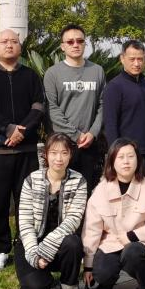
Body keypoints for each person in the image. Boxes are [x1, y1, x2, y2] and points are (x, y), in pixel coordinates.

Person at [0, 29, 46, 272]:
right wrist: (8, 129)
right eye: (3, 41)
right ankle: (0, 249)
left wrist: (22, 131)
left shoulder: (30, 75)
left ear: (20, 47)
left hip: (26, 150)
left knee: (28, 202)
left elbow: (39, 106)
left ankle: (26, 246)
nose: (9, 45)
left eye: (14, 41)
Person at [82, 138, 145, 289]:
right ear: (112, 161)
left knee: (133, 253)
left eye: (130, 156)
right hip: (110, 243)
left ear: (138, 159)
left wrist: (133, 235)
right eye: (120, 157)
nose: (126, 161)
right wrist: (88, 266)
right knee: (102, 272)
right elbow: (92, 229)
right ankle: (106, 286)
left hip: (138, 242)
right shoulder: (101, 190)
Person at [15, 133, 88, 289]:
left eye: (64, 153)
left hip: (61, 243)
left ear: (70, 155)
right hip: (33, 243)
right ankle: (48, 281)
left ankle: (69, 288)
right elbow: (25, 223)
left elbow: (73, 220)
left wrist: (47, 248)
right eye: (54, 153)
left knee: (73, 243)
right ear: (46, 154)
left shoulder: (79, 181)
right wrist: (34, 254)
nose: (59, 158)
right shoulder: (31, 180)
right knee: (35, 288)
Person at [43, 24, 106, 190]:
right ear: (62, 46)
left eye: (80, 41)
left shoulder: (97, 71)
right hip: (62, 145)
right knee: (60, 191)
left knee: (87, 192)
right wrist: (76, 135)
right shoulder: (52, 73)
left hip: (90, 144)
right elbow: (52, 109)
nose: (75, 45)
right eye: (70, 42)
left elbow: (102, 105)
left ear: (85, 43)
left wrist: (92, 133)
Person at [101, 40, 145, 168]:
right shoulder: (114, 87)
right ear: (122, 59)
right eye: (132, 59)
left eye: (140, 59)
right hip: (125, 154)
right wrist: (116, 153)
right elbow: (110, 124)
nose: (136, 63)